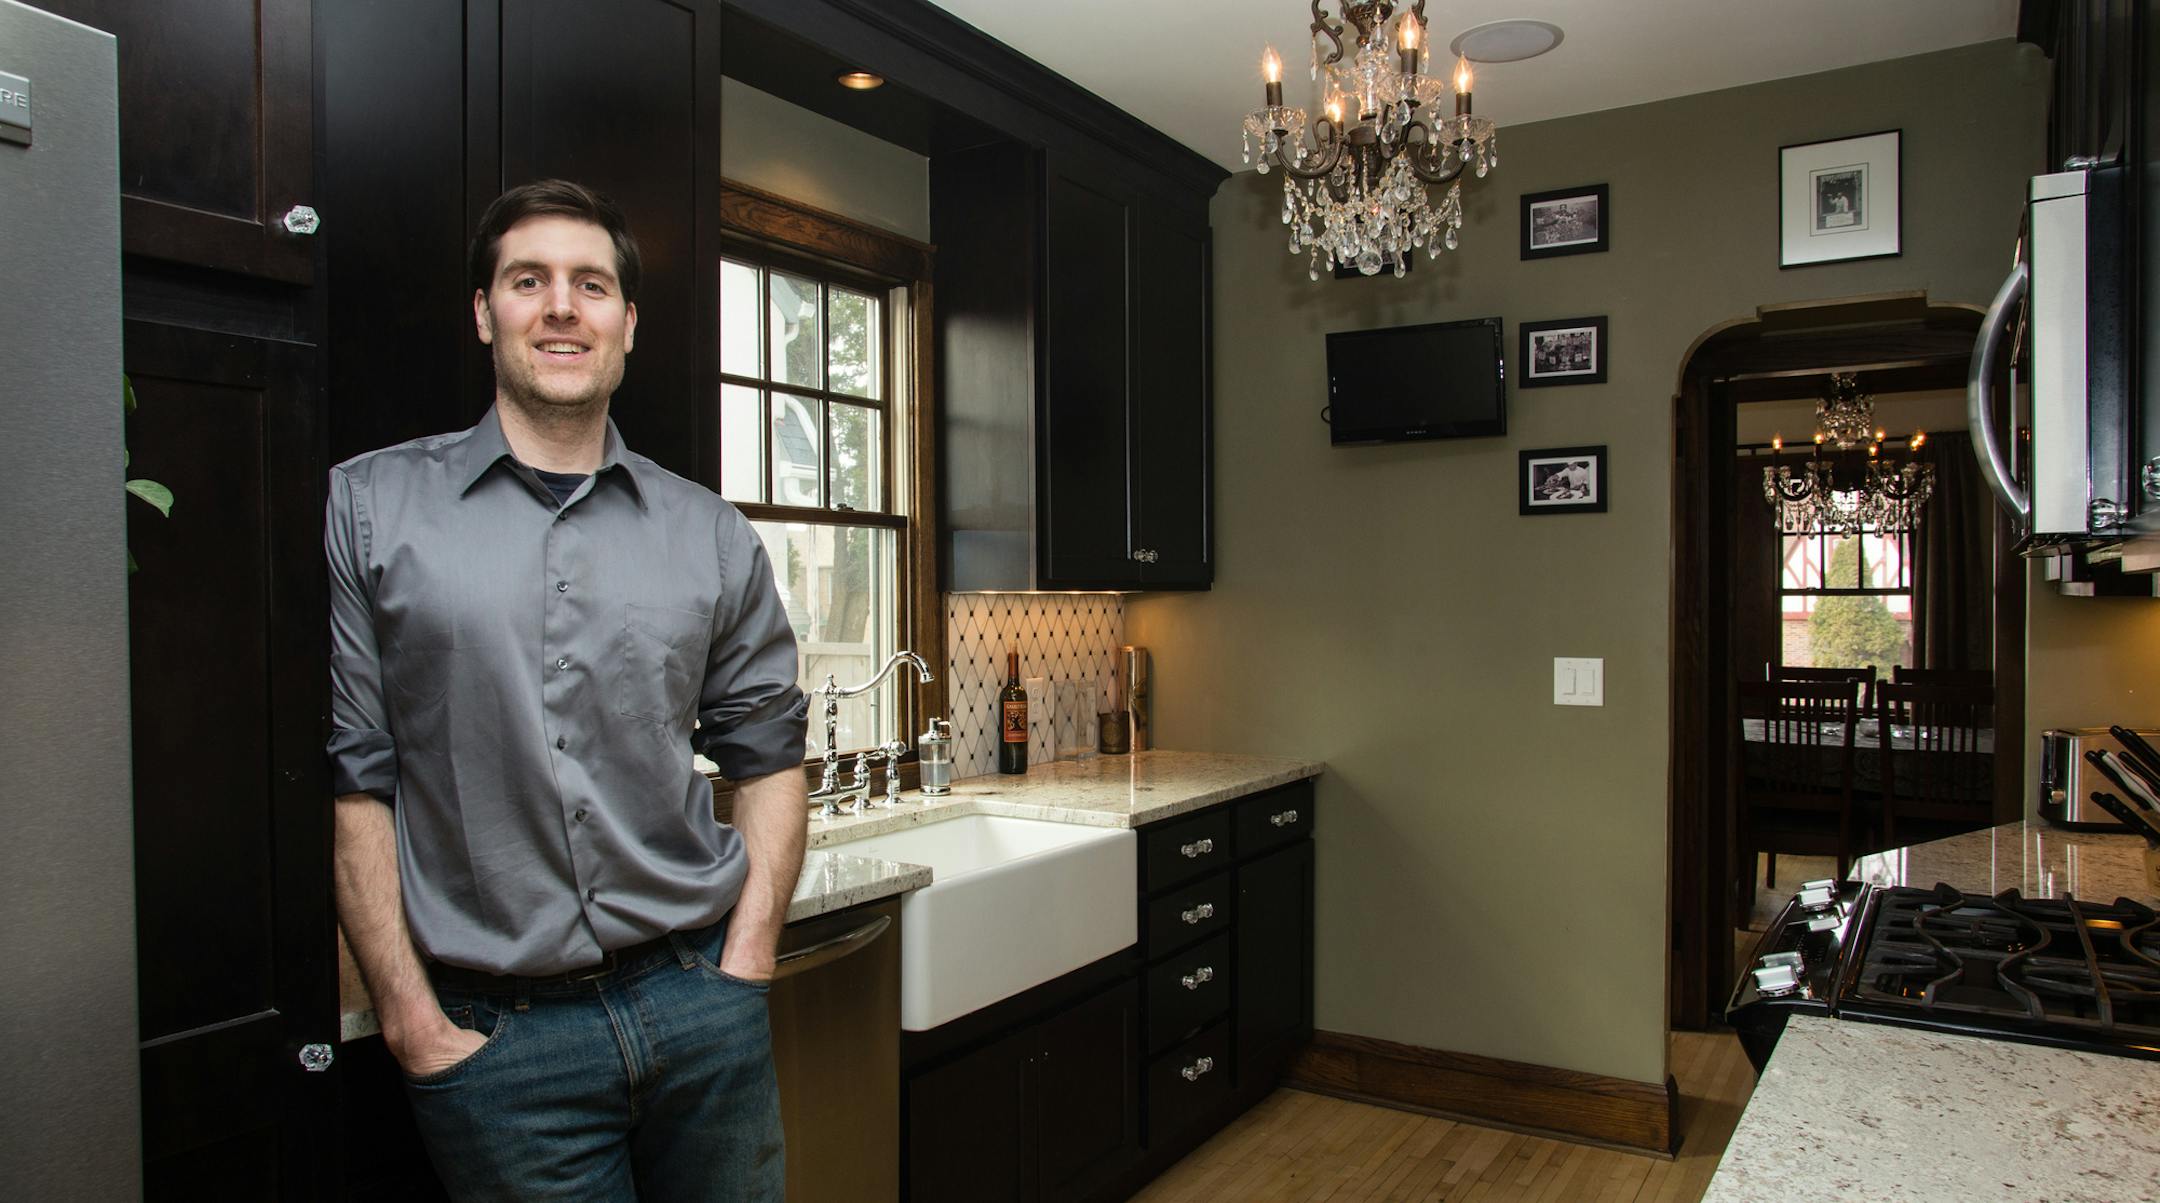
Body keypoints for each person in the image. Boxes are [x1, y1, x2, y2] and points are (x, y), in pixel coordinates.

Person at [325, 179, 810, 1201]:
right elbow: (354, 781)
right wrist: (412, 1022)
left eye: (591, 285)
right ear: (483, 311)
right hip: (499, 1045)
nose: (560, 307)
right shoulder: (370, 509)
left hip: (699, 1007)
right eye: (527, 280)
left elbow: (769, 754)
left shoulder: (710, 535)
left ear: (627, 323)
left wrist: (750, 956)